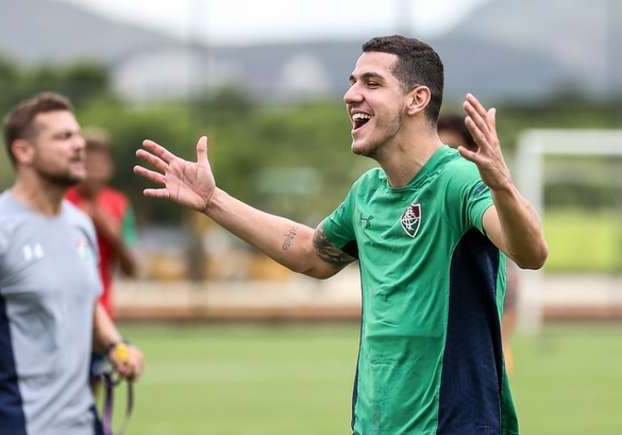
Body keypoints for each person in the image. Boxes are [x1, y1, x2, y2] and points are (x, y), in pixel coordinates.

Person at [135, 35, 548, 434]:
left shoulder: (457, 179)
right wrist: (213, 201)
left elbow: (530, 253)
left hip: (452, 425)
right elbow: (311, 253)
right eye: (352, 83)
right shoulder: (367, 192)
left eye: (372, 83)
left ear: (416, 99)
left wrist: (502, 186)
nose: (351, 95)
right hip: (373, 424)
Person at [0, 92, 144, 435]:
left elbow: (86, 303)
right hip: (11, 423)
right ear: (23, 151)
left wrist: (115, 345)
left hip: (81, 423)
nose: (78, 146)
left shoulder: (80, 225)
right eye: (63, 137)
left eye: (77, 135)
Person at [439, 114, 520, 373]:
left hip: (473, 350)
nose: (444, 158)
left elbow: (516, 275)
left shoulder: (482, 201)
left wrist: (501, 341)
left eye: (452, 149)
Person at [64, 131, 139, 388]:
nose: (93, 171)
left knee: (92, 388)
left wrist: (112, 234)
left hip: (102, 314)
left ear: (110, 168)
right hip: (61, 312)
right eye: (88, 163)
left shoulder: (118, 204)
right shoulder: (61, 201)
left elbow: (132, 269)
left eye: (100, 164)